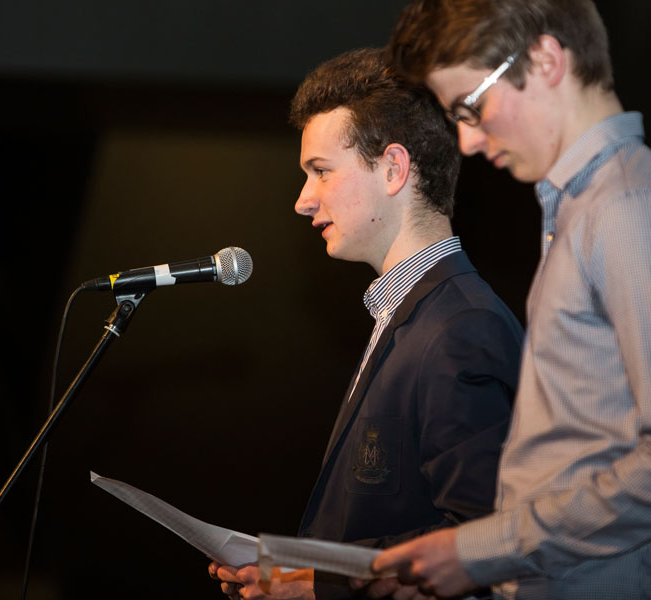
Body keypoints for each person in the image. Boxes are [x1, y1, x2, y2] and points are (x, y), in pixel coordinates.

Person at [363, 1, 651, 599]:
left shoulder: (632, 209)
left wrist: (482, 552)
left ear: (544, 60)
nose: (468, 140)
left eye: (470, 108)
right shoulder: (581, 209)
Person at [208, 47, 524, 600]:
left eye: (321, 172)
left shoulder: (461, 328)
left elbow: (481, 545)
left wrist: (318, 585)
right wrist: (293, 572)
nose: (303, 201)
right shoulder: (411, 315)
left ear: (394, 169)